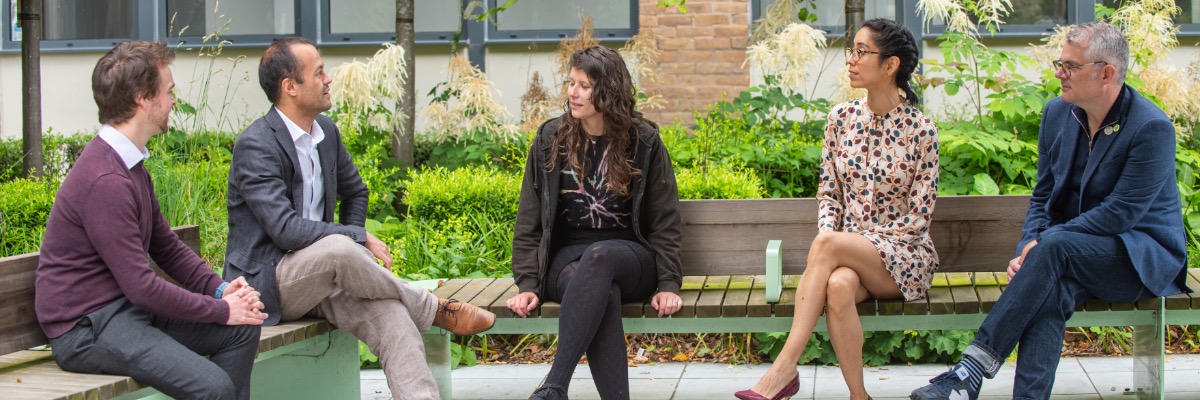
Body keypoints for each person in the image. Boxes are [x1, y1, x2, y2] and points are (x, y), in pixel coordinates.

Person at [911, 22, 1189, 400]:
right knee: (1050, 288)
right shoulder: (1058, 114)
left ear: (1106, 73)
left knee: (1053, 255)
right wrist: (1030, 245)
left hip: (1138, 256)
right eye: (1060, 63)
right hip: (1071, 256)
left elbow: (1120, 213)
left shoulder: (1151, 127)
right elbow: (1043, 198)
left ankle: (970, 371)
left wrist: (1042, 245)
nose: (1059, 73)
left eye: (1070, 66)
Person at [225, 37, 495, 400]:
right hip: (270, 283)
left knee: (393, 318)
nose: (329, 78)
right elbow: (285, 230)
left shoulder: (326, 133)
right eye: (318, 72)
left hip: (324, 276)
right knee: (340, 247)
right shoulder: (256, 145)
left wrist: (353, 239)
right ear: (290, 86)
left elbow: (357, 192)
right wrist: (357, 238)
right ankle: (431, 308)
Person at [34, 41, 265, 400]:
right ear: (143, 98)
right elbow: (142, 286)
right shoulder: (105, 181)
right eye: (168, 91)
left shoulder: (129, 165)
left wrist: (221, 290)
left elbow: (166, 246)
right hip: (87, 328)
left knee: (242, 329)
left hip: (125, 312)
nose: (173, 100)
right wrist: (220, 310)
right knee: (213, 386)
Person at [737, 19, 939, 400]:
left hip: (905, 257)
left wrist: (850, 241)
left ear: (890, 65)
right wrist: (839, 237)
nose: (851, 59)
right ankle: (859, 396)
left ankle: (784, 368)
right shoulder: (840, 119)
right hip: (850, 254)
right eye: (852, 50)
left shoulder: (921, 130)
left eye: (861, 52)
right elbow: (829, 195)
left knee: (829, 244)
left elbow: (918, 218)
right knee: (838, 283)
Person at [506, 45, 684, 400]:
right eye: (571, 83)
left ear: (608, 90)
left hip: (629, 256)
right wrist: (527, 283)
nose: (573, 93)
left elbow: (665, 219)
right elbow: (529, 217)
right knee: (602, 291)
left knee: (601, 256)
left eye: (584, 86)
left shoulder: (643, 141)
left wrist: (668, 283)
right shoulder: (550, 139)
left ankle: (555, 385)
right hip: (566, 260)